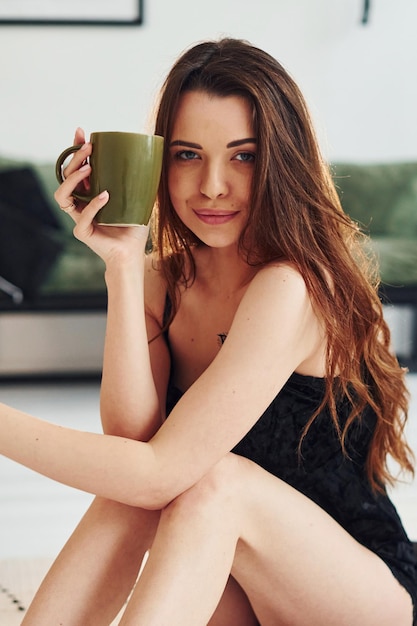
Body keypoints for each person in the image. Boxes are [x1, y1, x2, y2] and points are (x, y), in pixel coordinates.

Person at [1, 37, 416, 625]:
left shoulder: (289, 286)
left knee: (211, 480)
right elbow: (132, 447)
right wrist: (122, 266)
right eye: (188, 155)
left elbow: (159, 474)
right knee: (145, 485)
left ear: (281, 163)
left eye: (243, 156)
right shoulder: (161, 280)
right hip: (238, 580)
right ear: (161, 162)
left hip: (354, 591)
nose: (213, 185)